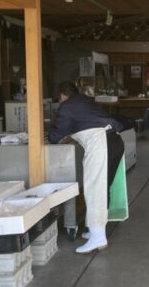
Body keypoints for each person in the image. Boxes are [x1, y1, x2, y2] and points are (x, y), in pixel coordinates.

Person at [48, 81, 125, 254]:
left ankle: (98, 237)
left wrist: (47, 135)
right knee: (102, 189)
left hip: (100, 144)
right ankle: (96, 230)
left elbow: (57, 134)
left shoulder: (67, 106)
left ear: (63, 95)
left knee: (95, 190)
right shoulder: (85, 100)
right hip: (115, 140)